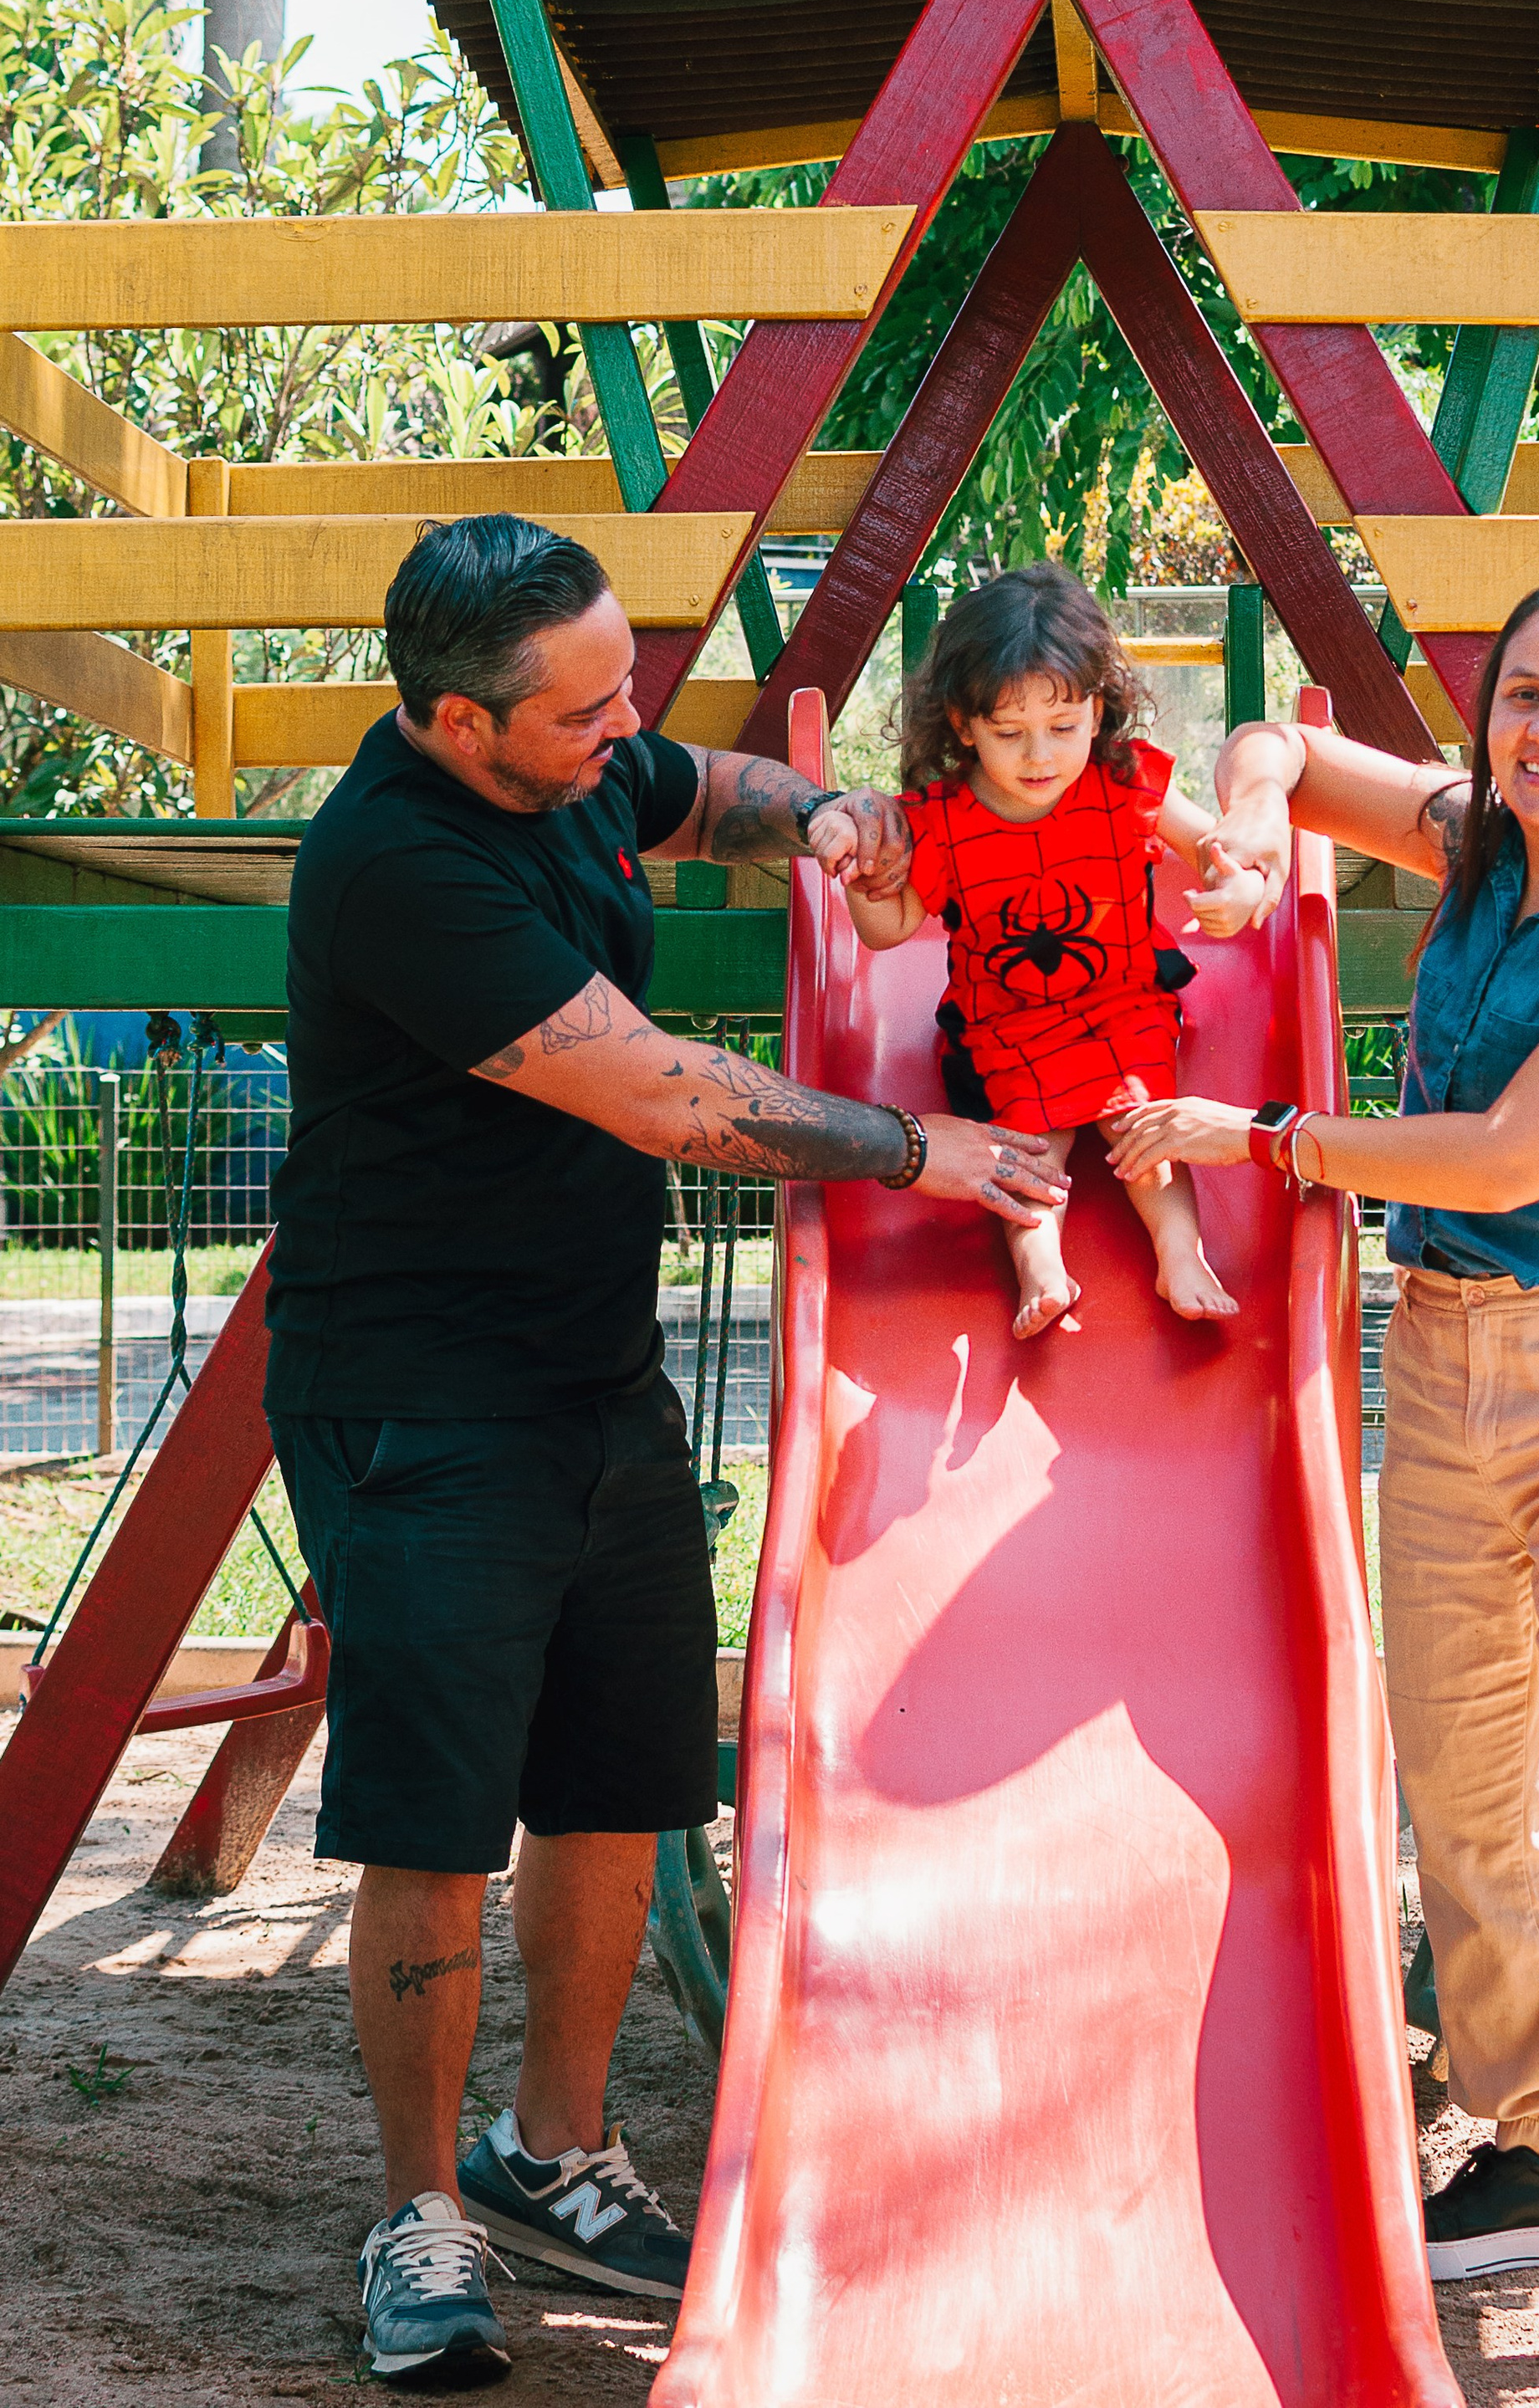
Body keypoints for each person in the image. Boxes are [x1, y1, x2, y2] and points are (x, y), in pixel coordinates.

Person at [265, 514, 1069, 2386]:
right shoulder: (392, 865)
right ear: (457, 725)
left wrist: (823, 811)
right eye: (576, 709)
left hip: (589, 1374)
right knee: (434, 1816)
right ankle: (419, 2213)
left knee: (620, 1784)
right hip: (420, 1394)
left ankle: (555, 2150)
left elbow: (694, 788)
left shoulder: (567, 752)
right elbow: (656, 1088)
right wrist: (907, 1144)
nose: (613, 723)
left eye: (618, 678)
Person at [1109, 575, 1539, 2366]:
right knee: (1462, 1781)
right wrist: (1245, 832)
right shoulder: (1476, 833)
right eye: (1520, 697)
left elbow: (1506, 1152)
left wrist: (1267, 1140)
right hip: (1452, 1351)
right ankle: (1531, 2134)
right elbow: (1287, 749)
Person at [846, 561, 1261, 1340]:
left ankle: (1181, 1251)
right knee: (1030, 1140)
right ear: (964, 724)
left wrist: (1232, 880)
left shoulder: (1124, 781)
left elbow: (1211, 844)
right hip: (1005, 1019)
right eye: (1009, 733)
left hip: (1123, 997)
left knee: (1145, 1119)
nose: (1040, 755)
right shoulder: (939, 819)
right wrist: (862, 875)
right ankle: (1042, 1268)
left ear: (1098, 710)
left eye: (1064, 727)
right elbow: (888, 929)